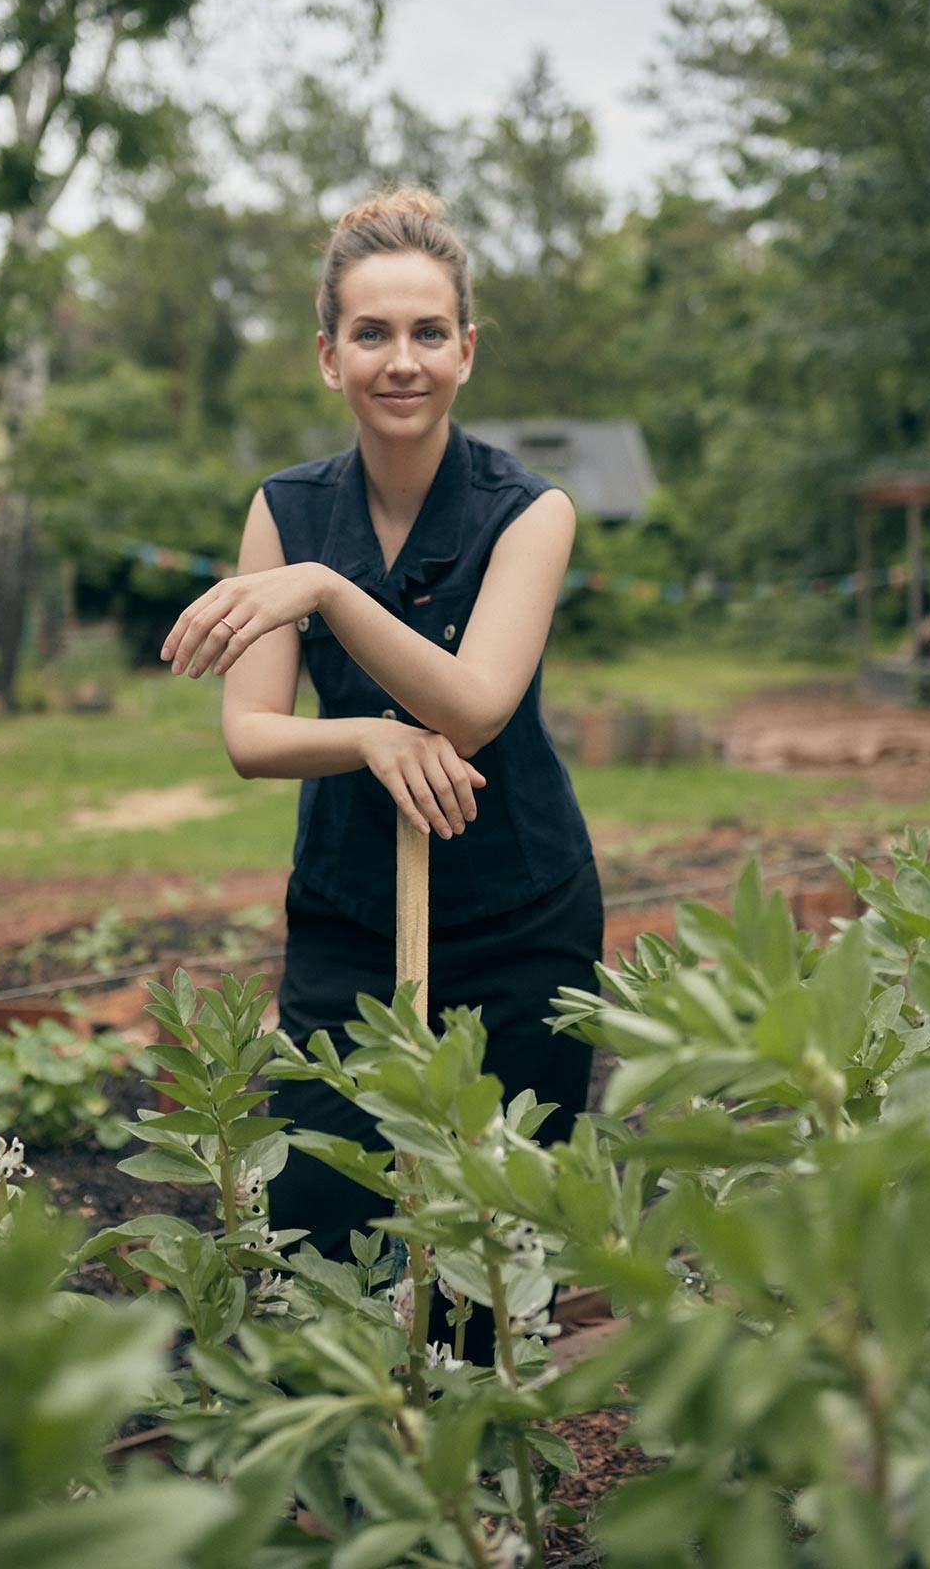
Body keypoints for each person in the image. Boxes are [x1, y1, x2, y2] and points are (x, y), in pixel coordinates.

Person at [159, 188, 603, 1358]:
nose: (398, 361)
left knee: (489, 1262)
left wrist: (323, 592)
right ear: (328, 356)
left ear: (464, 349)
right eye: (370, 334)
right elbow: (253, 733)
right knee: (322, 1220)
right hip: (351, 916)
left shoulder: (531, 512)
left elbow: (473, 706)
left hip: (521, 918)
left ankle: (478, 1524)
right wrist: (365, 736)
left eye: (423, 333)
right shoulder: (286, 507)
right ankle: (349, 1508)